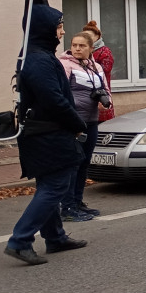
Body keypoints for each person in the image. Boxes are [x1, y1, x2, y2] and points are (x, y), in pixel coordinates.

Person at [4, 5, 88, 266]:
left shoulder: (37, 54)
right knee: (56, 186)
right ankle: (20, 241)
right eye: (58, 27)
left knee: (50, 186)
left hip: (43, 133)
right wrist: (77, 123)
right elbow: (53, 100)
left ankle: (55, 237)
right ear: (44, 30)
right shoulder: (39, 60)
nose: (62, 32)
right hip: (48, 134)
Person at [58, 31, 110, 221]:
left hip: (91, 120)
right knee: (73, 162)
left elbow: (105, 89)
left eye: (82, 46)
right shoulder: (64, 64)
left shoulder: (96, 67)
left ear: (91, 48)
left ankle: (78, 202)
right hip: (73, 122)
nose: (77, 49)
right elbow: (60, 91)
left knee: (84, 162)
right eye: (74, 45)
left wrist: (106, 102)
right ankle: (68, 207)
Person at [82, 20, 115, 122]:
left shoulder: (104, 51)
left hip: (101, 92)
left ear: (97, 37)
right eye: (85, 36)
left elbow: (103, 72)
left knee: (102, 123)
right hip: (85, 93)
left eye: (90, 36)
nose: (87, 39)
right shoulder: (84, 50)